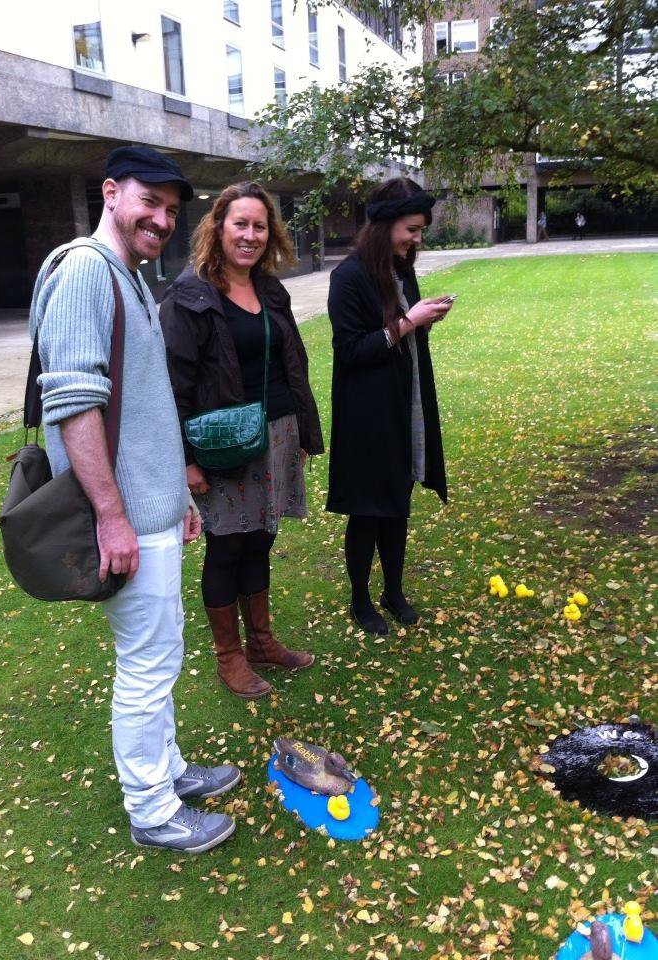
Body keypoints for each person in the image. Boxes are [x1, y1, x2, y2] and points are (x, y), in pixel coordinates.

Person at [30, 146, 240, 855]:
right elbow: (73, 402)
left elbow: (145, 407)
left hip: (150, 510)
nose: (162, 219)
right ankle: (151, 810)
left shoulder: (129, 276)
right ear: (111, 193)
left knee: (162, 652)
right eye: (150, 202)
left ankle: (169, 770)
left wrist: (174, 494)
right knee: (146, 665)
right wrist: (113, 515)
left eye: (172, 210)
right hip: (121, 518)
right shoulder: (86, 271)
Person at [160, 182, 324, 699]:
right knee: (227, 545)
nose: (250, 235)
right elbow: (173, 385)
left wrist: (301, 430)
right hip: (224, 444)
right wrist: (186, 460)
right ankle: (228, 656)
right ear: (218, 227)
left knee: (262, 538)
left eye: (260, 226)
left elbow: (293, 363)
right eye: (240, 224)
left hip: (277, 432)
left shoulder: (271, 289)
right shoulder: (190, 296)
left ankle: (262, 642)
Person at [326, 177, 453, 635]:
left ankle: (393, 591)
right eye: (411, 230)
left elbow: (403, 332)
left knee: (398, 505)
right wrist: (407, 322)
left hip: (403, 404)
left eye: (420, 231)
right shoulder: (348, 277)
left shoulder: (401, 270)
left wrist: (424, 319)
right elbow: (351, 351)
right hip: (366, 415)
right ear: (385, 226)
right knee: (368, 510)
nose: (417, 239)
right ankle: (360, 598)